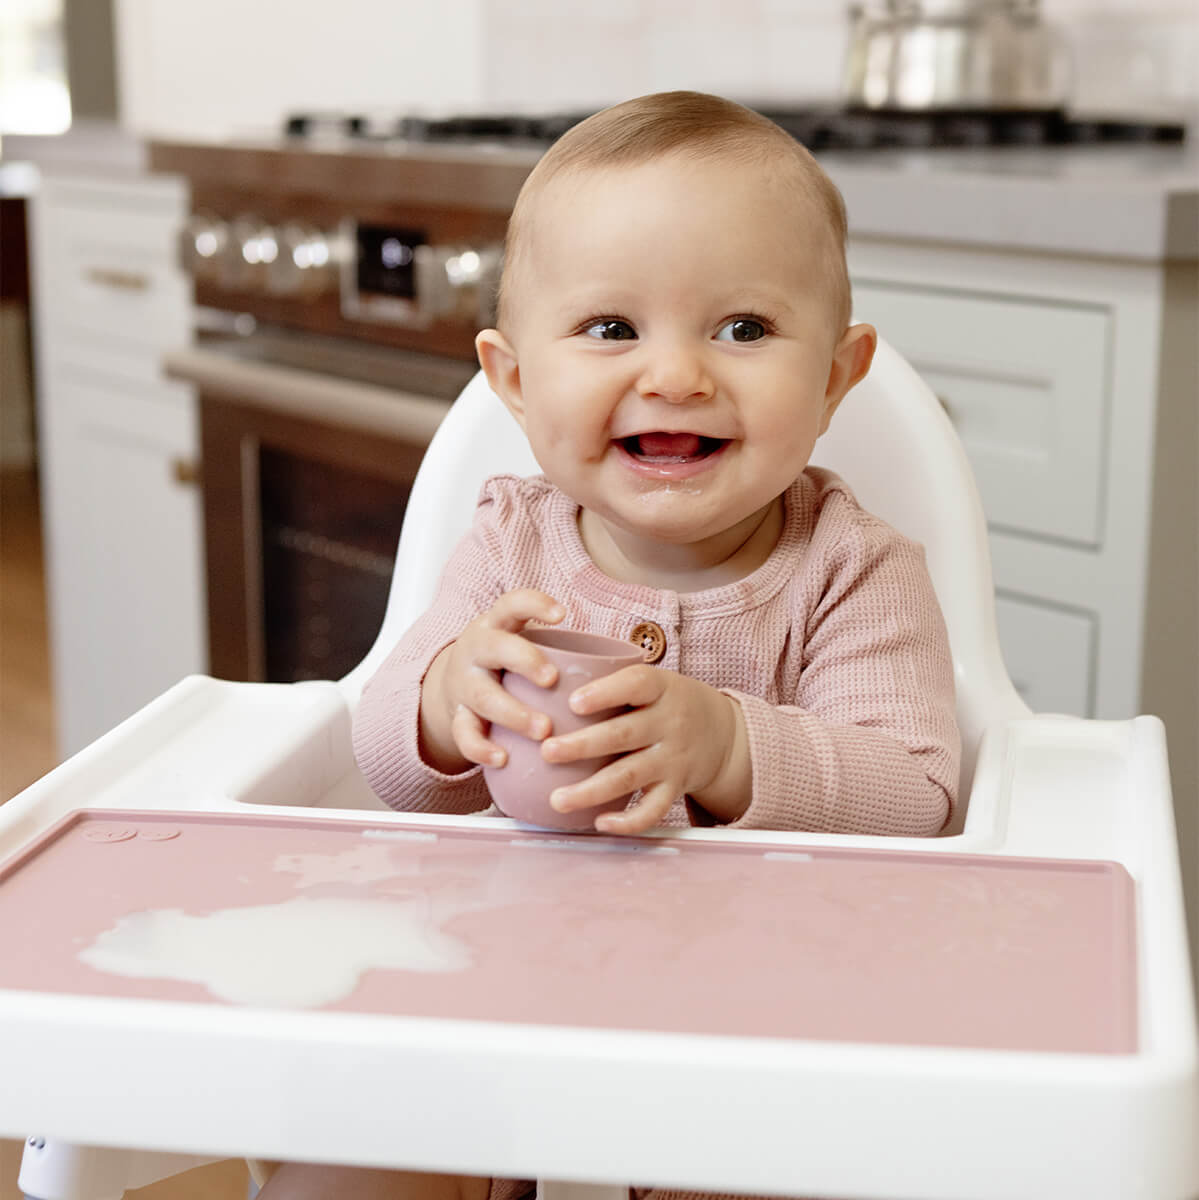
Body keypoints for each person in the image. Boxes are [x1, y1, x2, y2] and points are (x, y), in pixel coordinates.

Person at [259, 90, 959, 1200]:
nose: (675, 376)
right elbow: (393, 763)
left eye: (742, 328)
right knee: (345, 1159)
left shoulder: (851, 568)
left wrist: (727, 747)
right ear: (515, 381)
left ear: (834, 377)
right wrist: (449, 697)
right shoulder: (509, 542)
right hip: (496, 1001)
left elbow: (915, 793)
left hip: (760, 1036)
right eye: (611, 329)